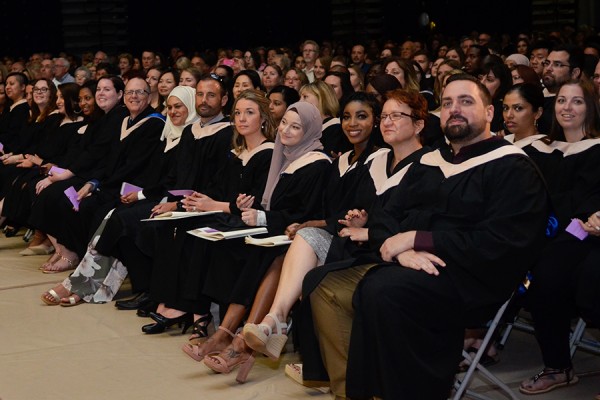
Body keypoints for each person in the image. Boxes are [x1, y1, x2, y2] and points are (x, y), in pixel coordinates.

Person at [305, 74, 549, 399]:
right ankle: (352, 391)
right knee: (323, 284)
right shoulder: (431, 162)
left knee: (382, 291)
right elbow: (387, 216)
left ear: (490, 113)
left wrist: (416, 240)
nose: (454, 109)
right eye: (447, 103)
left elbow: (502, 242)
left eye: (466, 101)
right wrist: (401, 249)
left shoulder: (513, 168)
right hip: (408, 266)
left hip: (470, 278)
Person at [242, 90, 428, 382]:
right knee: (307, 240)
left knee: (315, 271)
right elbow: (364, 208)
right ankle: (274, 320)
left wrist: (369, 227)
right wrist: (363, 218)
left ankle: (313, 354)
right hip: (357, 241)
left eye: (397, 116)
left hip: (388, 252)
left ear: (419, 125)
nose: (388, 122)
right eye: (386, 116)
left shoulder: (428, 165)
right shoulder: (377, 164)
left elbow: (419, 219)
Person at [181, 101, 331, 372]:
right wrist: (252, 209)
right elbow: (275, 206)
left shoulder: (317, 164)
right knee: (243, 250)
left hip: (302, 240)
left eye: (295, 126)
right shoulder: (284, 157)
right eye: (284, 122)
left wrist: (263, 217)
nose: (285, 130)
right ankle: (230, 336)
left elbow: (305, 215)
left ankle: (235, 342)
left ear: (309, 131)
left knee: (263, 257)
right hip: (276, 234)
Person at [40, 85, 198, 306]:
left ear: (191, 106)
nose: (172, 111)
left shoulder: (191, 138)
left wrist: (141, 195)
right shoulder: (169, 134)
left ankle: (81, 287)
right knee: (111, 217)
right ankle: (82, 286)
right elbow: (157, 177)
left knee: (116, 219)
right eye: (169, 107)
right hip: (152, 194)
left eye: (178, 106)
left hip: (170, 201)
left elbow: (174, 184)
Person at [519, 78, 600, 395]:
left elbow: (588, 209)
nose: (567, 107)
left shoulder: (596, 150)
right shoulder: (540, 149)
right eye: (562, 100)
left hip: (584, 233)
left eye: (577, 101)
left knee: (549, 272)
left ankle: (558, 366)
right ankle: (558, 366)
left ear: (590, 108)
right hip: (546, 234)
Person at [299, 80, 352, 157]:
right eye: (300, 97)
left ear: (321, 98)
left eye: (305, 97)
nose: (300, 101)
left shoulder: (336, 128)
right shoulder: (307, 128)